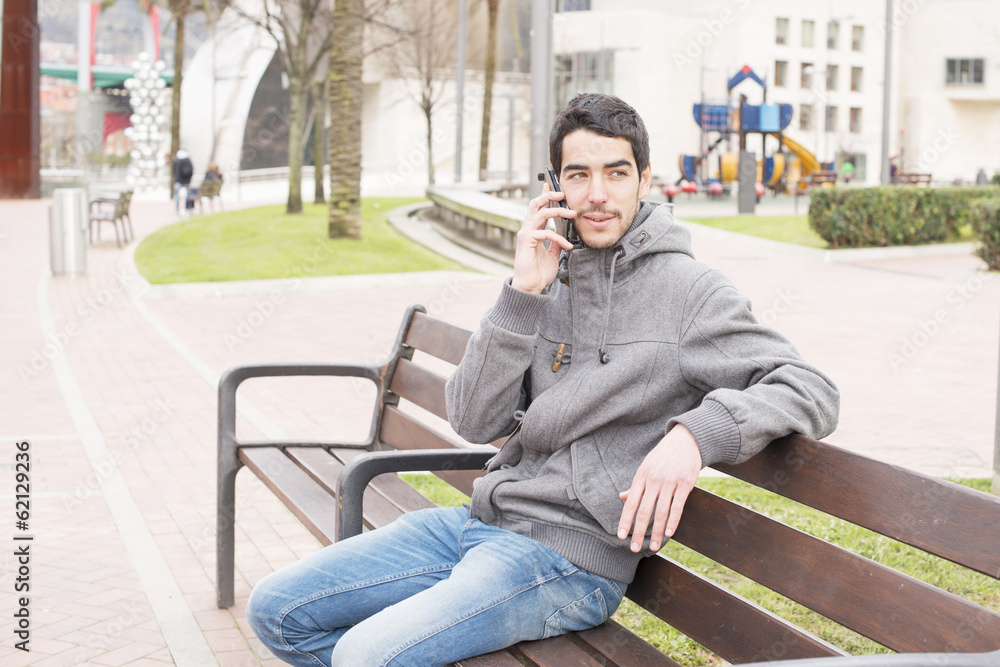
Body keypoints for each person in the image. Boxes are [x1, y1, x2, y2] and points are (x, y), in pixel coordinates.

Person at [246, 93, 840, 667]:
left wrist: (693, 438)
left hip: (564, 562)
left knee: (363, 655)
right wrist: (523, 293)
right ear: (556, 186)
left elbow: (809, 387)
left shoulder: (691, 293)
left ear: (644, 179)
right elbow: (473, 420)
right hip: (482, 521)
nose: (597, 194)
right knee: (276, 610)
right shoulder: (549, 278)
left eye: (616, 172)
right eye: (579, 175)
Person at [172, 149, 194, 214]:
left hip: (178, 180)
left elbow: (174, 170)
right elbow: (191, 170)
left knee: (177, 195)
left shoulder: (177, 161)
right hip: (186, 181)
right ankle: (187, 208)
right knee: (187, 194)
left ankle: (177, 208)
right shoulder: (188, 160)